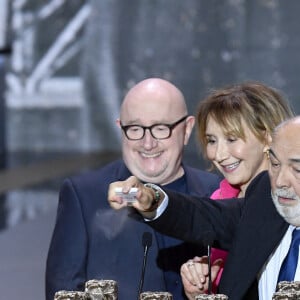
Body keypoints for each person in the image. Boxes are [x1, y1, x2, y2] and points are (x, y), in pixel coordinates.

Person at [45, 78, 221, 300]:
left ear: (186, 130)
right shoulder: (84, 195)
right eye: (135, 129)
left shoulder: (217, 194)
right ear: (121, 129)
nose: (147, 143)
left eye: (160, 128)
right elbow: (62, 292)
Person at [108, 115, 300, 300]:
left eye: (297, 170)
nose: (281, 181)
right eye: (275, 164)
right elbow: (204, 215)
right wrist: (149, 197)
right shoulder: (265, 196)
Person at [179, 82, 294, 298]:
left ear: (268, 137)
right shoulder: (217, 199)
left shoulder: (290, 205)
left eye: (232, 139)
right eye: (212, 140)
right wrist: (200, 288)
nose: (219, 154)